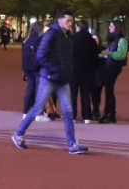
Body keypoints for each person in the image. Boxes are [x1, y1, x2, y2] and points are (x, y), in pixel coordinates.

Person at [12, 8, 88, 154]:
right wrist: (54, 69)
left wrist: (66, 70)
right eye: (68, 20)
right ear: (59, 20)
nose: (71, 23)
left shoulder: (67, 36)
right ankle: (18, 134)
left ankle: (72, 145)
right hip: (49, 77)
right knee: (37, 108)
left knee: (67, 111)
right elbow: (40, 55)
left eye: (71, 20)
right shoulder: (51, 34)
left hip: (62, 78)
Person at [98, 19, 128, 123]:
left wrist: (109, 53)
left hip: (114, 66)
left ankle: (108, 113)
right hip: (109, 65)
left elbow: (121, 55)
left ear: (117, 28)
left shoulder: (121, 40)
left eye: (111, 26)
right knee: (108, 90)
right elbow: (107, 53)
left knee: (109, 90)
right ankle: (110, 114)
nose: (109, 28)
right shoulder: (113, 40)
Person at [20, 21, 50, 121]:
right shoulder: (39, 39)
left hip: (27, 67)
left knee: (30, 89)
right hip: (37, 67)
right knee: (39, 90)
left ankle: (26, 111)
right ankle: (38, 113)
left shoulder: (26, 40)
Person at [71, 19, 98, 123]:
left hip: (74, 69)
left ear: (78, 27)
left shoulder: (73, 38)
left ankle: (72, 116)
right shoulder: (91, 40)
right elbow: (95, 56)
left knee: (73, 93)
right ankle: (86, 116)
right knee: (85, 93)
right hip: (87, 70)